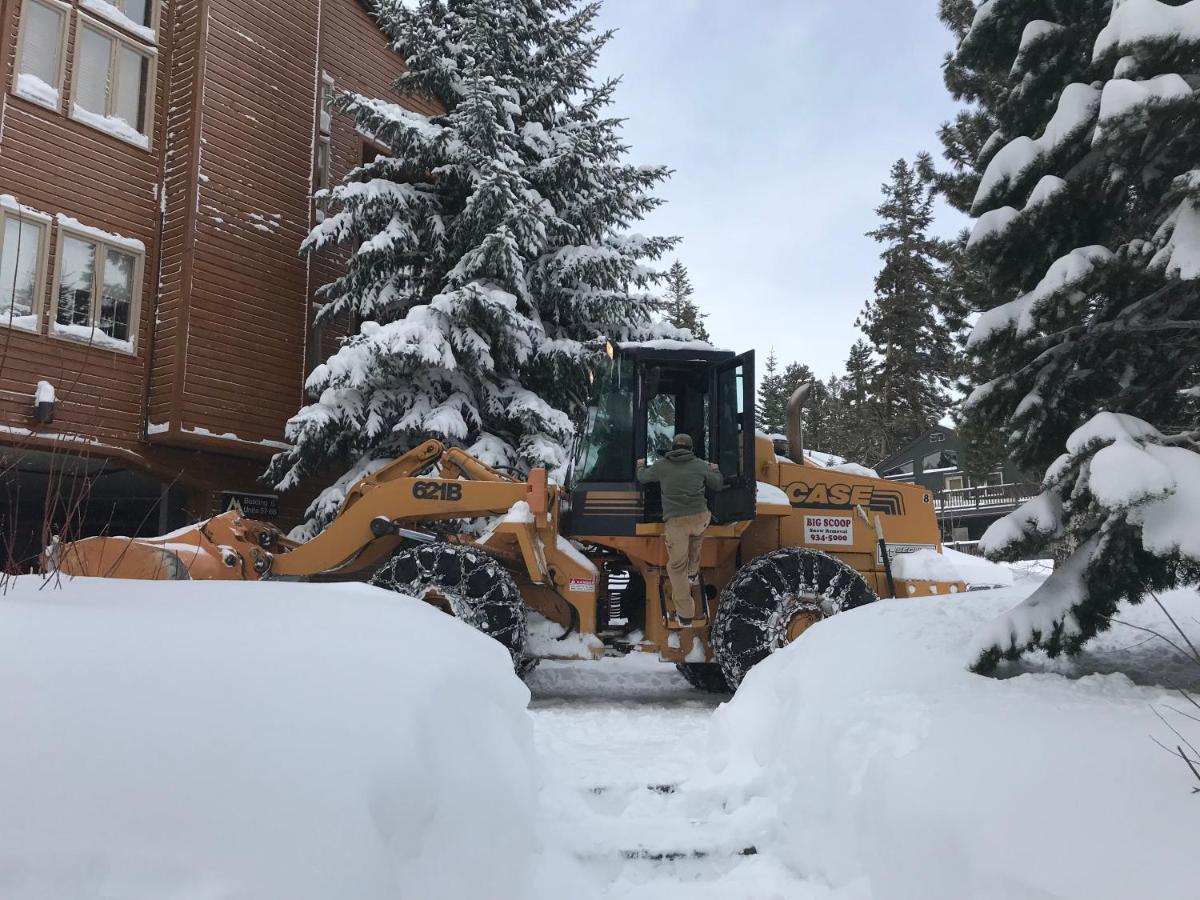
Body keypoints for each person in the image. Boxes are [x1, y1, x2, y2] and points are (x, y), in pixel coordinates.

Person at [636, 433, 725, 626]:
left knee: (677, 567)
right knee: (696, 537)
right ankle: (693, 572)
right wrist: (716, 470)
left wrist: (640, 464)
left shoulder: (661, 465)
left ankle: (685, 615)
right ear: (691, 449)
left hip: (676, 523)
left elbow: (643, 478)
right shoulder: (700, 465)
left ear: (673, 448)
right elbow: (717, 484)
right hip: (699, 517)